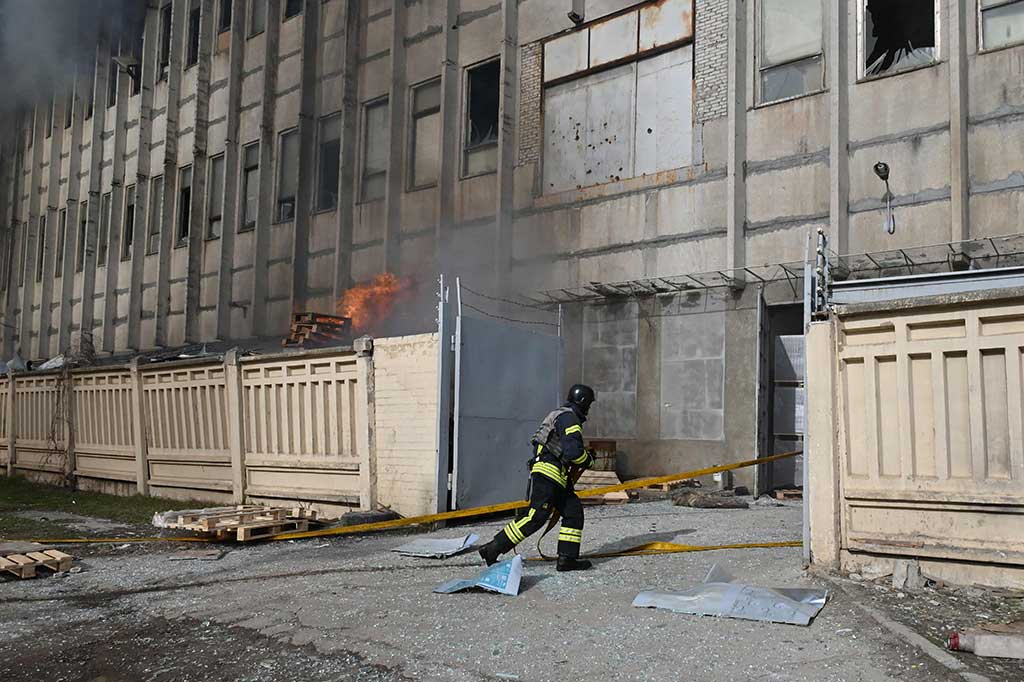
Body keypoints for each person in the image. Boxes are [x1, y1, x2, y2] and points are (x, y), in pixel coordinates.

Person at [477, 384, 597, 572]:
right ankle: (493, 548)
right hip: (550, 474)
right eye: (588, 404)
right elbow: (574, 453)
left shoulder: (561, 415)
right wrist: (589, 460)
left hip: (556, 476)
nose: (589, 408)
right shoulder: (569, 418)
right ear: (583, 402)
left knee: (573, 512)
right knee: (535, 516)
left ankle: (567, 559)